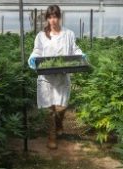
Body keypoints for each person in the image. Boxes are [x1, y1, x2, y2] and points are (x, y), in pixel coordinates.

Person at [28, 5, 86, 149]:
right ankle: (51, 137)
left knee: (61, 107)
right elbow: (37, 51)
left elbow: (74, 48)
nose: (53, 20)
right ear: (47, 19)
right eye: (50, 17)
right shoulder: (41, 36)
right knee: (49, 109)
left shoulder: (68, 34)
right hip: (47, 78)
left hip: (62, 76)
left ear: (59, 17)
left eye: (55, 17)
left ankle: (60, 123)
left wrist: (81, 55)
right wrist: (33, 59)